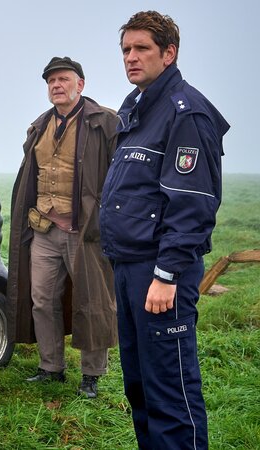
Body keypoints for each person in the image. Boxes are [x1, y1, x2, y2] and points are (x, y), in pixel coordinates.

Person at [100, 11, 229, 449]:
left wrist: (167, 275)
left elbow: (192, 205)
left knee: (170, 391)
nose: (131, 58)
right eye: (125, 50)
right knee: (139, 386)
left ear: (169, 54)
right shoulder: (137, 107)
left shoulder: (185, 113)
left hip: (159, 275)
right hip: (130, 269)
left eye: (142, 49)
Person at [9, 56, 119, 398]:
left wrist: (107, 217)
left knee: (92, 301)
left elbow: (122, 175)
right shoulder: (39, 125)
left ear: (80, 85)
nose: (56, 85)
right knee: (42, 299)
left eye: (63, 80)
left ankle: (91, 375)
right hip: (44, 228)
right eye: (51, 81)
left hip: (85, 231)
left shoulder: (106, 122)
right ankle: (50, 367)